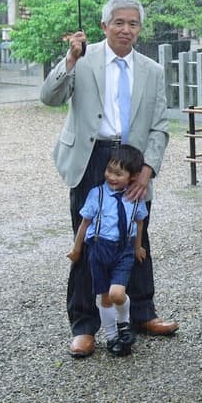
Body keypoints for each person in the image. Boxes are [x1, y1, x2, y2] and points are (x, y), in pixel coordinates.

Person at [41, 0, 178, 360]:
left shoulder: (152, 70)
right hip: (91, 157)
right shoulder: (83, 60)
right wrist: (69, 59)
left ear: (140, 29)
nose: (126, 29)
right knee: (88, 241)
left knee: (136, 234)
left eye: (133, 23)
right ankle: (84, 325)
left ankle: (142, 312)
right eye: (118, 22)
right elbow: (49, 97)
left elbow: (160, 126)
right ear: (104, 26)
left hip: (133, 159)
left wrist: (147, 169)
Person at [66, 143, 149, 356]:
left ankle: (123, 323)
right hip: (99, 250)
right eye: (109, 171)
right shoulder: (97, 194)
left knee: (117, 294)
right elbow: (85, 223)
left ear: (132, 177)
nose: (111, 176)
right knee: (104, 297)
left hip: (123, 250)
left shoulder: (134, 197)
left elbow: (139, 222)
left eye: (118, 173)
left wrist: (138, 246)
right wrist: (76, 250)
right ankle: (112, 337)